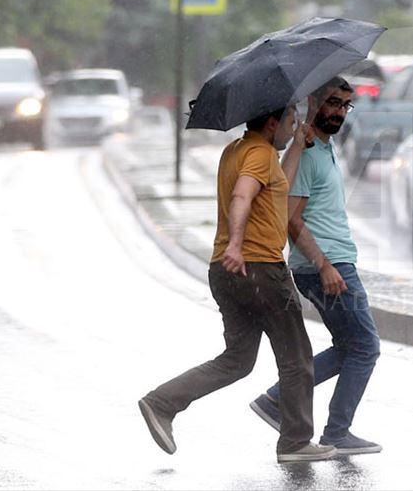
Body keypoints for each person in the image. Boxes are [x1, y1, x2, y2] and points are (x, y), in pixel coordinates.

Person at [137, 105, 338, 463]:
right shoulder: (259, 154)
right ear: (272, 123)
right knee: (296, 358)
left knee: (237, 360)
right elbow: (243, 195)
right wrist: (235, 244)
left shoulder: (237, 151)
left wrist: (296, 146)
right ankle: (295, 441)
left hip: (225, 272)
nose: (293, 127)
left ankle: (161, 402)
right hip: (260, 269)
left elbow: (278, 189)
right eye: (289, 123)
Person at [249, 77, 383, 456]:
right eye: (332, 102)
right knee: (365, 346)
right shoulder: (306, 154)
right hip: (325, 264)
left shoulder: (324, 148)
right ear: (313, 102)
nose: (339, 111)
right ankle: (336, 432)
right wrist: (324, 265)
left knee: (350, 346)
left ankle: (277, 400)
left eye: (345, 105)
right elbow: (291, 218)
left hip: (331, 261)